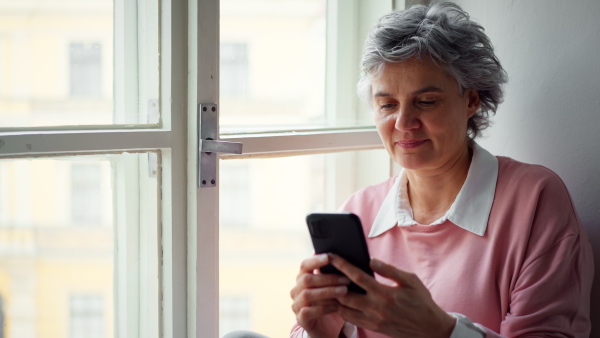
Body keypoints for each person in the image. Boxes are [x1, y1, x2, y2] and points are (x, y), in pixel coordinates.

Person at [290, 2, 594, 338]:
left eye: (426, 101)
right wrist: (318, 333)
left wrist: (440, 330)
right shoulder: (358, 212)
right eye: (387, 104)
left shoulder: (535, 201)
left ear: (471, 100)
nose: (403, 123)